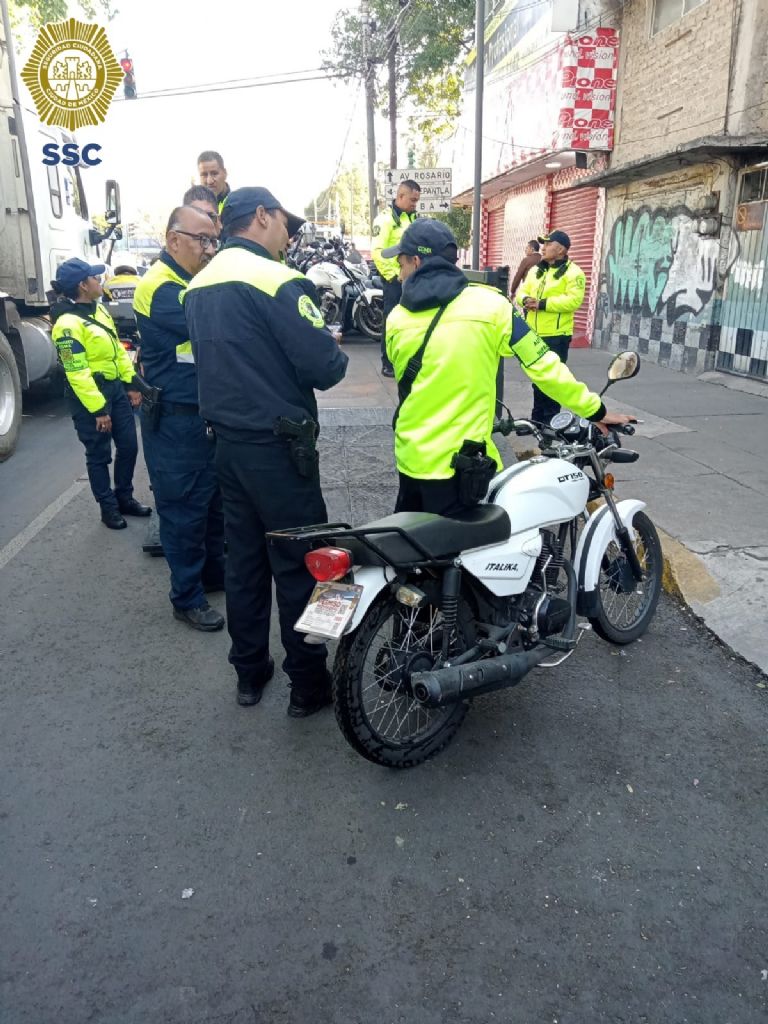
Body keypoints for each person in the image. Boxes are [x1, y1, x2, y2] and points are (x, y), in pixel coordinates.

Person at [184, 187, 348, 715]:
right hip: (281, 452)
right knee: (303, 564)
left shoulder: (197, 285)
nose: (289, 234)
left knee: (245, 564)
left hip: (227, 447)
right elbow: (325, 368)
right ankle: (307, 686)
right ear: (260, 216)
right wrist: (331, 347)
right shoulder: (278, 280)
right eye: (285, 222)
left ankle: (249, 674)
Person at [382, 220, 634, 516]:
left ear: (416, 261)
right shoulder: (491, 306)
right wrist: (596, 410)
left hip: (411, 457)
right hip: (463, 466)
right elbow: (543, 365)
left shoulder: (397, 318)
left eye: (401, 264)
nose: (399, 275)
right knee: (469, 554)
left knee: (412, 547)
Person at [133, 206, 226, 632]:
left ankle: (210, 576)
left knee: (210, 506)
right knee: (183, 511)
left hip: (199, 417)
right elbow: (211, 323)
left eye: (213, 241)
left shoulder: (188, 280)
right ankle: (185, 598)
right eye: (202, 240)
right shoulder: (160, 286)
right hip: (174, 421)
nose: (210, 250)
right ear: (174, 240)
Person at [50, 258, 151, 528]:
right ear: (83, 285)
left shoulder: (100, 311)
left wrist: (131, 385)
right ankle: (108, 508)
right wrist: (98, 410)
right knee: (98, 455)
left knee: (128, 445)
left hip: (115, 388)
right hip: (89, 396)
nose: (100, 281)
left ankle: (124, 497)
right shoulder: (67, 325)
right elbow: (76, 372)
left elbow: (117, 351)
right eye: (95, 278)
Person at [515, 229, 586, 424]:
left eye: (548, 244)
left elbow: (573, 301)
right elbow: (521, 292)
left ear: (561, 249)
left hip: (556, 336)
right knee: (538, 380)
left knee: (553, 381)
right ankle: (537, 420)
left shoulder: (574, 273)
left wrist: (542, 304)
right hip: (533, 334)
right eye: (543, 244)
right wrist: (526, 300)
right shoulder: (537, 271)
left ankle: (552, 421)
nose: (543, 248)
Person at [371, 179, 420, 377]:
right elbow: (377, 252)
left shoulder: (413, 218)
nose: (414, 204)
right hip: (395, 280)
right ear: (400, 196)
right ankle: (388, 362)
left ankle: (407, 359)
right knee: (391, 321)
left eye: (417, 201)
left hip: (412, 278)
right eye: (412, 199)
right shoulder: (385, 220)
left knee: (411, 321)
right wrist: (393, 277)